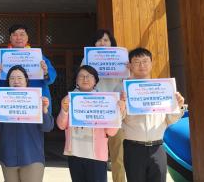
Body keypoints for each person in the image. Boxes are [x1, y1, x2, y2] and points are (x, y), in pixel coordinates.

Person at [122, 48, 185, 182]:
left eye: (145, 61)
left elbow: (170, 120)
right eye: (137, 62)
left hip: (158, 148)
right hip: (134, 149)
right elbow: (118, 119)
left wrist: (178, 106)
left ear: (151, 64)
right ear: (130, 65)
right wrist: (121, 104)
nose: (142, 65)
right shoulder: (123, 90)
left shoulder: (162, 88)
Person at [57, 65, 126, 182]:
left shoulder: (105, 101)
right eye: (81, 76)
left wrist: (118, 112)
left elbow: (111, 132)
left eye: (89, 76)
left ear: (95, 81)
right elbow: (61, 125)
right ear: (76, 81)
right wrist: (64, 110)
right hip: (75, 154)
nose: (85, 79)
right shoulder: (69, 99)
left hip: (97, 156)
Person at [0, 65, 54, 182]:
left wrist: (44, 110)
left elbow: (47, 127)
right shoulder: (1, 100)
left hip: (32, 157)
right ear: (8, 82)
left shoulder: (36, 99)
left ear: (26, 80)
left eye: (19, 78)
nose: (16, 81)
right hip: (8, 156)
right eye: (12, 78)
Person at [85, 29, 127, 182]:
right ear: (94, 43)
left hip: (116, 112)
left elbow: (127, 84)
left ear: (111, 43)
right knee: (95, 156)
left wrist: (128, 69)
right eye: (99, 40)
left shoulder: (122, 60)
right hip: (95, 111)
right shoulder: (87, 59)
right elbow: (82, 82)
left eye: (106, 40)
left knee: (118, 156)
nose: (102, 43)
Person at [0, 25, 56, 109]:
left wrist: (45, 72)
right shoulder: (0, 57)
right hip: (8, 102)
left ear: (27, 38)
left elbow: (50, 79)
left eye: (22, 34)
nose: (18, 38)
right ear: (10, 38)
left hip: (36, 101)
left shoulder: (38, 56)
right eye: (15, 35)